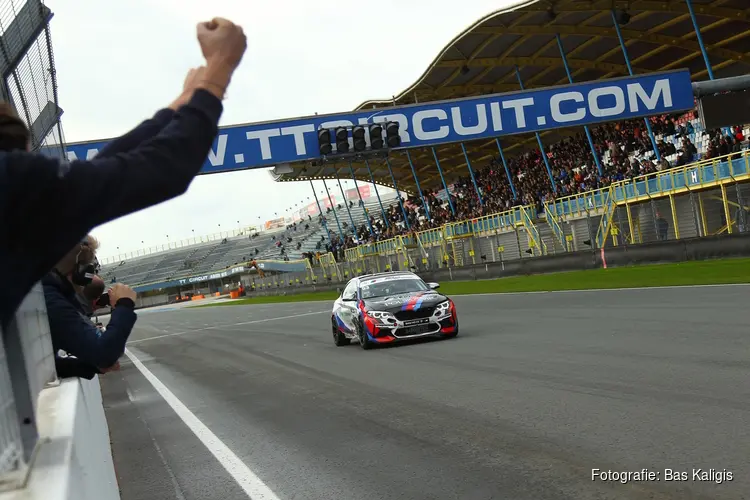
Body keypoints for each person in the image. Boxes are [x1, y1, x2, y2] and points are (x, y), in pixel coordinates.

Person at [0, 17, 247, 330]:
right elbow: (164, 169)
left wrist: (180, 104)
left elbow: (95, 175)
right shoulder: (11, 183)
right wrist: (219, 68)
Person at [43, 235, 137, 372]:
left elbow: (45, 365)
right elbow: (105, 353)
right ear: (81, 272)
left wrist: (89, 366)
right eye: (90, 269)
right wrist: (125, 304)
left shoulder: (47, 294)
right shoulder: (51, 300)